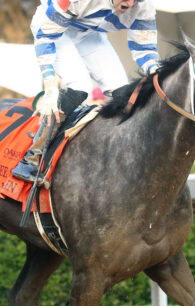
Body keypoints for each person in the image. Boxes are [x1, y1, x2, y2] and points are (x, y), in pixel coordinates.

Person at [12, 0, 161, 182]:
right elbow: (46, 37)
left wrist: (159, 75)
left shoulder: (144, 6)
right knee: (81, 87)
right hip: (54, 31)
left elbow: (145, 49)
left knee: (122, 89)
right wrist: (50, 86)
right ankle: (31, 158)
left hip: (90, 34)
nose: (130, 3)